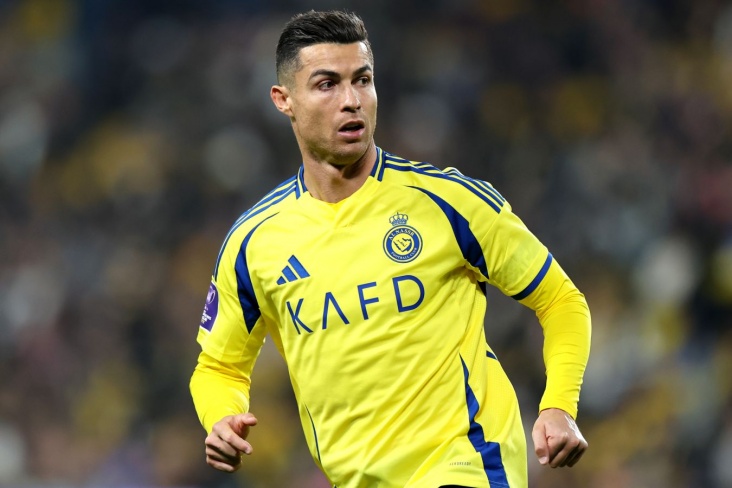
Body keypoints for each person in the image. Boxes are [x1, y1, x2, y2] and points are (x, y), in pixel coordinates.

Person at [190, 9, 591, 488]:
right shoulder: (254, 242)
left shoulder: (448, 202)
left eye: (362, 80)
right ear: (284, 100)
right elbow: (219, 366)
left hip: (465, 464)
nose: (351, 101)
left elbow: (561, 300)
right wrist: (220, 417)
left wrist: (558, 405)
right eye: (327, 84)